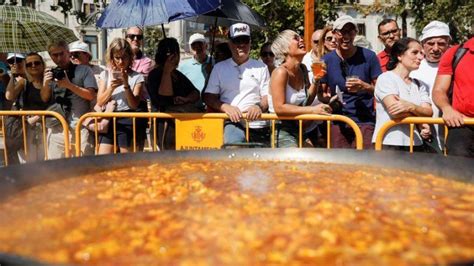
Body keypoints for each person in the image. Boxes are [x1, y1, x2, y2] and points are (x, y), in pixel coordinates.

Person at [204, 23, 270, 147]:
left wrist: (258, 107)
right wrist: (225, 107)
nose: (241, 45)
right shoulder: (219, 68)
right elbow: (208, 96)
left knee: (261, 163)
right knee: (234, 154)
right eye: (237, 41)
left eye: (245, 40)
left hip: (258, 125)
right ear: (230, 43)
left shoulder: (261, 67)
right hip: (232, 123)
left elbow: (267, 96)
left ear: (250, 42)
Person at [320, 15, 382, 149]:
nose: (346, 36)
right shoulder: (326, 60)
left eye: (350, 31)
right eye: (342, 32)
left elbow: (381, 90)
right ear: (335, 34)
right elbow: (322, 95)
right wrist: (331, 100)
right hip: (338, 120)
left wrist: (364, 86)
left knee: (365, 164)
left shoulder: (369, 56)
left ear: (355, 33)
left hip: (365, 121)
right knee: (340, 166)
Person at [269, 30, 332, 147]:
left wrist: (316, 79)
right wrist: (313, 110)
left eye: (301, 37)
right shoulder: (280, 72)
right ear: (285, 48)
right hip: (282, 130)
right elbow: (279, 107)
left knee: (312, 161)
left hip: (299, 128)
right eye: (296, 38)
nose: (301, 40)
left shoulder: (302, 69)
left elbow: (307, 99)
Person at [372, 38, 433, 151]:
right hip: (389, 142)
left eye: (421, 53)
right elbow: (395, 112)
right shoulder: (386, 78)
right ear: (399, 56)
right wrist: (419, 117)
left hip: (415, 143)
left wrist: (411, 106)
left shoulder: (419, 84)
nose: (420, 57)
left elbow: (429, 112)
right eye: (415, 52)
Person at [42, 39, 98, 158]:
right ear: (50, 56)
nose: (58, 58)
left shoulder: (83, 70)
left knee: (83, 168)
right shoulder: (51, 73)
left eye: (61, 54)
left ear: (68, 53)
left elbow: (91, 95)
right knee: (56, 169)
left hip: (80, 127)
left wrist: (69, 85)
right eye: (54, 55)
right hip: (57, 128)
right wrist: (45, 83)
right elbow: (44, 98)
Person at [147, 38, 200, 150]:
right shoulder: (154, 74)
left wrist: (187, 99)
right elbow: (164, 97)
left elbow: (196, 93)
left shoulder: (177, 74)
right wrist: (166, 71)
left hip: (183, 126)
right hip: (164, 128)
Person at [96, 38, 144, 154]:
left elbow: (134, 104)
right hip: (109, 118)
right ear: (112, 58)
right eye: (117, 57)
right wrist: (111, 87)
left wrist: (126, 84)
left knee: (127, 161)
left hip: (128, 120)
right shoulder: (105, 74)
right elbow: (100, 102)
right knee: (103, 160)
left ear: (130, 57)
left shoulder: (137, 77)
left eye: (124, 57)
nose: (121, 61)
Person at [410, 21, 451, 152]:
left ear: (448, 44)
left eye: (441, 43)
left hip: (451, 129)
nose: (435, 48)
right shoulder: (413, 68)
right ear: (423, 44)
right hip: (422, 132)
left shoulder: (456, 65)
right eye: (431, 43)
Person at [433, 36, 474, 157]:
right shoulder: (457, 52)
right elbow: (439, 90)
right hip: (462, 126)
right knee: (457, 173)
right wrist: (447, 109)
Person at [5, 53, 50, 163]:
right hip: (26, 128)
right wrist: (12, 76)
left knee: (46, 165)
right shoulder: (23, 82)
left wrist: (37, 117)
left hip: (47, 128)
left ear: (43, 64)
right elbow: (9, 96)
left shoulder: (50, 81)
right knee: (27, 165)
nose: (33, 66)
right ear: (26, 67)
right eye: (29, 64)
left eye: (37, 63)